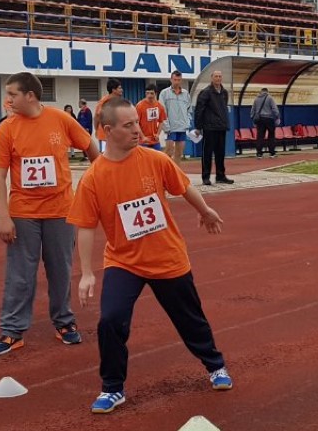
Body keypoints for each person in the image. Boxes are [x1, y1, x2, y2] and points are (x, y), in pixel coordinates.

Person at [68, 97, 231, 414]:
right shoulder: (93, 178)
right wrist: (86, 272)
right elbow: (85, 227)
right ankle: (112, 388)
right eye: (128, 125)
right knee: (110, 321)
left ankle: (215, 365)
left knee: (190, 319)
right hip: (123, 261)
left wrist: (205, 210)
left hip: (167, 256)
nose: (137, 130)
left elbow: (184, 187)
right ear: (107, 130)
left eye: (137, 123)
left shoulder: (155, 160)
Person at [0, 72, 99, 356]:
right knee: (20, 273)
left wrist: (99, 177)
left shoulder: (60, 119)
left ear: (30, 95)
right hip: (23, 212)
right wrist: (3, 217)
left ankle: (64, 321)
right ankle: (12, 330)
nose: (7, 100)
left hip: (60, 210)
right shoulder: (7, 129)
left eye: (12, 94)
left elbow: (89, 146)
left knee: (60, 269)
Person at [194, 69, 233, 185]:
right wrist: (198, 126)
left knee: (220, 153)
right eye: (216, 76)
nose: (218, 78)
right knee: (207, 153)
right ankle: (205, 177)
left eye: (220, 76)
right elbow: (199, 110)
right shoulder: (206, 92)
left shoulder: (224, 92)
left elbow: (224, 108)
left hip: (221, 127)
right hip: (209, 128)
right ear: (212, 78)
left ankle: (220, 176)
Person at [160, 71, 192, 164]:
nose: (177, 82)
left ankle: (176, 172)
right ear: (171, 80)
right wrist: (166, 126)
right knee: (168, 152)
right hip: (170, 128)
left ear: (181, 80)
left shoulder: (186, 94)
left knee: (179, 153)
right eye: (175, 80)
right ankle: (162, 170)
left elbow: (189, 110)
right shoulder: (164, 93)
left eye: (178, 80)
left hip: (182, 127)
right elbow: (162, 111)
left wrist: (187, 123)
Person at [135, 86, 167, 152]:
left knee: (157, 157)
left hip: (155, 140)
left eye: (152, 93)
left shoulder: (160, 106)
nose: (149, 95)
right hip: (143, 140)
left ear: (156, 94)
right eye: (147, 93)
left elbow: (161, 121)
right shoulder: (140, 106)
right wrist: (142, 137)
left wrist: (158, 134)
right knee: (145, 158)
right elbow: (136, 123)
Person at [251, 86, 280, 158]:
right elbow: (274, 109)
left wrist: (253, 119)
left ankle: (259, 153)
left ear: (261, 92)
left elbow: (252, 110)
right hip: (269, 119)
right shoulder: (270, 98)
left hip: (260, 119)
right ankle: (272, 153)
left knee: (260, 136)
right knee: (271, 136)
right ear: (267, 92)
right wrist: (277, 117)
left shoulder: (256, 99)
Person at [95, 79, 123, 153]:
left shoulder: (119, 101)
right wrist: (96, 129)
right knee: (105, 155)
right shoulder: (104, 101)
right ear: (113, 90)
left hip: (116, 134)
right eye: (119, 88)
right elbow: (97, 115)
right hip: (105, 135)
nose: (122, 90)